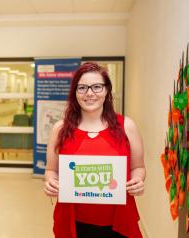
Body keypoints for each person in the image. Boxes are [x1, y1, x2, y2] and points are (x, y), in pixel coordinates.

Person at [44, 62, 145, 238]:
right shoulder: (60, 129)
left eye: (97, 87)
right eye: (82, 88)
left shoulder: (127, 126)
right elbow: (51, 170)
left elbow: (138, 167)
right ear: (75, 92)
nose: (89, 93)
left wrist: (137, 180)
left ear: (107, 91)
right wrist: (51, 182)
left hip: (118, 222)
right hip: (73, 223)